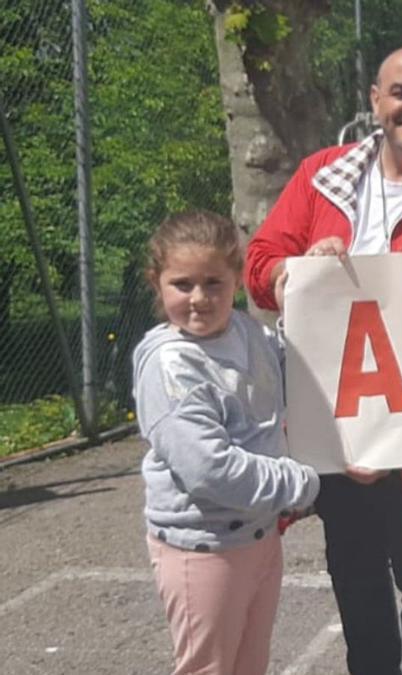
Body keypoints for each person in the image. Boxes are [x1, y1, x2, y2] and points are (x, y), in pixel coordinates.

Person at [244, 46, 402, 674]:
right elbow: (258, 266)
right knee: (358, 588)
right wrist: (294, 271)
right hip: (342, 430)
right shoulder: (320, 176)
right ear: (375, 100)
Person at [134, 210, 320, 675]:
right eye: (182, 284)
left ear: (236, 279)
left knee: (248, 664)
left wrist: (317, 283)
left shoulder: (246, 331)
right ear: (156, 282)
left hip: (257, 535)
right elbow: (210, 470)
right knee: (208, 667)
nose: (199, 299)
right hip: (202, 546)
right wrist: (306, 482)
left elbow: (292, 368)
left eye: (213, 283)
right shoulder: (171, 367)